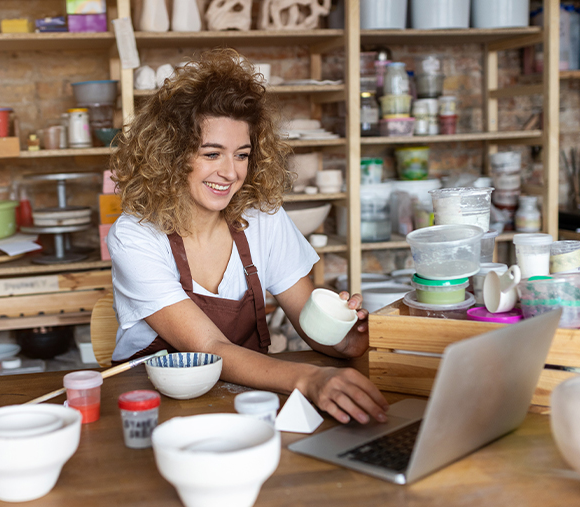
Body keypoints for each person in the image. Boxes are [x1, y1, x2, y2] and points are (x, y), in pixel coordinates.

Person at [107, 48, 388, 425]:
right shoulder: (135, 235)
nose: (229, 172)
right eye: (211, 154)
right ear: (172, 154)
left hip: (245, 402)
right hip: (151, 408)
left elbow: (308, 320)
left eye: (241, 155)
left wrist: (345, 338)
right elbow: (208, 347)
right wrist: (311, 378)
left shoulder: (262, 218)